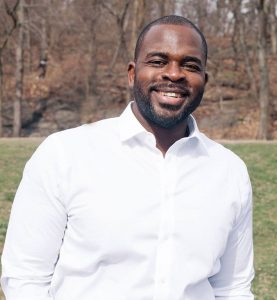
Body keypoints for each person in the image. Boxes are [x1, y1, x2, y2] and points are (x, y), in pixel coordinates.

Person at [1, 15, 254, 299]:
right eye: (158, 61)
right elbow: (26, 278)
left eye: (190, 65)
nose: (174, 74)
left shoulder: (229, 171)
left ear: (203, 81)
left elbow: (232, 288)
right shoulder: (64, 155)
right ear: (132, 73)